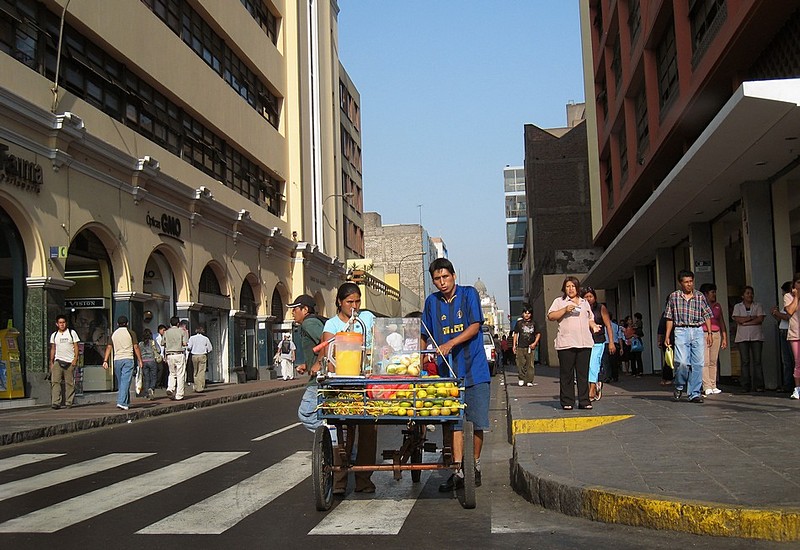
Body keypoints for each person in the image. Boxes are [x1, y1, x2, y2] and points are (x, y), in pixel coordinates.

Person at [420, 258, 491, 492]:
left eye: (445, 277)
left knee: (477, 421)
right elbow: (424, 332)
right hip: (446, 373)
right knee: (454, 424)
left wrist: (450, 342)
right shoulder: (431, 303)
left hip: (475, 369)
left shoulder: (469, 294)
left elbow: (474, 326)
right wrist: (419, 357)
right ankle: (459, 470)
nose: (442, 282)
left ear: (453, 276)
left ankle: (475, 464)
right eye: (437, 279)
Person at [312, 283, 377, 494]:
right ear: (340, 302)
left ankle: (363, 479)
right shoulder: (331, 324)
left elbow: (378, 341)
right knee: (340, 431)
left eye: (357, 301)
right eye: (350, 302)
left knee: (368, 429)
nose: (354, 306)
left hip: (365, 382)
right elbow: (327, 353)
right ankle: (339, 479)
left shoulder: (366, 319)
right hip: (341, 383)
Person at [547, 276, 600, 410]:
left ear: (577, 288)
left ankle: (584, 400)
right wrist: (565, 310)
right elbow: (551, 316)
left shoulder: (584, 302)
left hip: (584, 343)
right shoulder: (559, 301)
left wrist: (594, 326)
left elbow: (590, 319)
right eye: (567, 286)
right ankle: (567, 401)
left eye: (573, 286)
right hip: (566, 343)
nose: (570, 289)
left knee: (583, 374)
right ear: (564, 288)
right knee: (567, 374)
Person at [664, 270, 712, 403]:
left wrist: (709, 333)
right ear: (681, 283)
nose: (689, 284)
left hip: (697, 330)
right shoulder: (674, 297)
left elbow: (707, 314)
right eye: (686, 282)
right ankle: (679, 385)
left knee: (698, 363)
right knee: (682, 362)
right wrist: (667, 335)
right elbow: (669, 317)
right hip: (681, 330)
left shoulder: (700, 296)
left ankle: (694, 393)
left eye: (691, 281)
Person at [290, 295, 326, 432]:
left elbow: (327, 342)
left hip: (318, 380)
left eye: (295, 309)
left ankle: (335, 439)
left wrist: (318, 364)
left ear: (305, 310)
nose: (292, 313)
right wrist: (308, 365)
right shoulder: (311, 323)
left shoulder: (309, 323)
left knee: (306, 414)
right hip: (318, 376)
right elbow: (318, 348)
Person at [102, 315, 144, 411]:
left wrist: (105, 360)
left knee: (122, 382)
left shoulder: (114, 334)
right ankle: (121, 402)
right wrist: (140, 360)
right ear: (127, 323)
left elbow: (109, 347)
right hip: (128, 358)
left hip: (117, 360)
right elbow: (136, 346)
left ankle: (126, 402)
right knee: (126, 381)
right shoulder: (131, 333)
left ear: (117, 324)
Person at [582, 288, 615, 400]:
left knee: (593, 365)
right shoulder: (581, 309)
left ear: (595, 297)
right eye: (586, 297)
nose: (588, 299)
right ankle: (595, 384)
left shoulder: (601, 308)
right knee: (586, 366)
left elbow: (608, 326)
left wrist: (611, 342)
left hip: (598, 341)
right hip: (584, 341)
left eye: (590, 296)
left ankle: (591, 389)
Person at [732, 286, 765, 392]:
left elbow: (760, 319)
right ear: (743, 296)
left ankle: (759, 384)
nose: (750, 295)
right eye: (747, 293)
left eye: (751, 293)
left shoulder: (758, 305)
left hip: (756, 336)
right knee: (745, 361)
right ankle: (745, 384)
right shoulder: (738, 306)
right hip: (742, 337)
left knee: (757, 361)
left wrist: (746, 322)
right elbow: (737, 319)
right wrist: (751, 317)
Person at [699, 283, 728, 396]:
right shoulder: (700, 305)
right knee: (705, 360)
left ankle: (713, 384)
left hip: (716, 333)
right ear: (705, 294)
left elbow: (721, 320)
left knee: (713, 360)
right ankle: (706, 385)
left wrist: (724, 336)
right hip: (704, 333)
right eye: (712, 292)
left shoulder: (717, 305)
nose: (714, 294)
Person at [49, 314, 80, 409]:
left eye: (63, 322)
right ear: (57, 324)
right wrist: (51, 361)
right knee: (55, 382)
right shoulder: (54, 335)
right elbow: (53, 348)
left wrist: (75, 359)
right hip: (58, 360)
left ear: (66, 323)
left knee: (69, 382)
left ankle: (69, 402)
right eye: (60, 323)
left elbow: (76, 346)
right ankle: (56, 402)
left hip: (69, 361)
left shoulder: (72, 333)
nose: (62, 324)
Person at [772, 281, 794, 392]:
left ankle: (791, 384)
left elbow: (788, 316)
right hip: (783, 330)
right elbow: (782, 319)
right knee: (786, 360)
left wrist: (777, 314)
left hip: (788, 331)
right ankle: (788, 383)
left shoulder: (791, 300)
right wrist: (776, 315)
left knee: (790, 359)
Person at [512, 304, 540, 387]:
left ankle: (529, 380)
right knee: (520, 363)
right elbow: (516, 334)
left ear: (531, 314)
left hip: (530, 347)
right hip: (520, 346)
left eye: (528, 313)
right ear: (522, 314)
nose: (527, 315)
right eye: (525, 313)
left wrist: (535, 343)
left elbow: (538, 334)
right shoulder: (519, 323)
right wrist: (514, 345)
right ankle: (521, 378)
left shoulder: (534, 323)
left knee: (530, 364)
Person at [163, 316, 188, 400]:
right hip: (179, 354)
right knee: (180, 374)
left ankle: (170, 388)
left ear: (170, 323)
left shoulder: (166, 332)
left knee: (172, 373)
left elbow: (163, 343)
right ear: (178, 323)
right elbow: (185, 343)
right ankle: (179, 394)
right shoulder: (182, 331)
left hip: (170, 355)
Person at [783, 274, 800, 399]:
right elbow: (789, 311)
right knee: (797, 362)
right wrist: (797, 296)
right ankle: (797, 388)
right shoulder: (788, 296)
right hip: (795, 334)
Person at [186, 325, 213, 392]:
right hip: (202, 355)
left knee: (195, 371)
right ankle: (200, 387)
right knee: (201, 371)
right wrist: (206, 350)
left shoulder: (192, 338)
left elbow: (189, 347)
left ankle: (195, 386)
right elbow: (210, 348)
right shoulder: (205, 338)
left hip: (194, 355)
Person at [138, 328, 160, 400]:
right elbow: (159, 350)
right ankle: (151, 388)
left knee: (146, 378)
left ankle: (146, 393)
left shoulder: (140, 344)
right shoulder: (153, 342)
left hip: (144, 361)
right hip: (152, 360)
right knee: (153, 376)